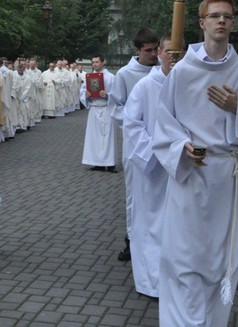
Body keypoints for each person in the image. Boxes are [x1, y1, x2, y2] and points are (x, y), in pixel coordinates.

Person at [152, 0, 238, 325]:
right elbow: (163, 119)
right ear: (201, 22)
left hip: (224, 177)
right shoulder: (183, 71)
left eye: (227, 17)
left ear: (233, 24)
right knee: (182, 255)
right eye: (215, 16)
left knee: (219, 257)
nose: (221, 21)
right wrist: (180, 146)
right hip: (190, 173)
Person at [122, 35, 178, 298]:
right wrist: (157, 153)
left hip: (181, 168)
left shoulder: (188, 83)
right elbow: (132, 124)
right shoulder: (145, 86)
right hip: (152, 168)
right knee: (151, 223)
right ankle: (151, 282)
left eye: (179, 51)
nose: (172, 56)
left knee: (177, 224)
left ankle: (177, 279)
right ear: (159, 53)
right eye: (168, 51)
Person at [108, 28, 159, 262]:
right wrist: (137, 118)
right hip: (136, 145)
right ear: (137, 50)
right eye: (148, 50)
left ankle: (159, 240)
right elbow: (115, 108)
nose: (154, 54)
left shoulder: (165, 70)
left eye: (156, 48)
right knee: (135, 195)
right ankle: (132, 240)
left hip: (161, 142)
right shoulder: (125, 74)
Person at [80, 54, 117, 172]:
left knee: (107, 137)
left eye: (96, 62)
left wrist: (107, 95)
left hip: (106, 108)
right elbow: (82, 91)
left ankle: (110, 163)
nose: (94, 64)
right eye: (93, 62)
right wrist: (86, 95)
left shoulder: (111, 77)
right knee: (94, 137)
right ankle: (97, 162)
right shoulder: (89, 77)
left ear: (103, 62)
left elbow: (117, 94)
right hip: (94, 108)